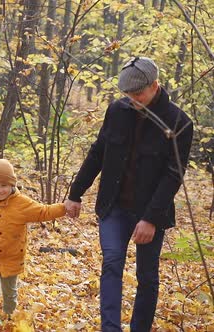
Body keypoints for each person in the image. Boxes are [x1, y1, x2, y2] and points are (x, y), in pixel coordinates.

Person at [64, 56, 193, 331]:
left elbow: (174, 176)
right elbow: (98, 152)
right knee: (111, 262)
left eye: (138, 94)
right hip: (114, 207)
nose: (133, 100)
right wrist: (76, 193)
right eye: (128, 95)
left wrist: (150, 219)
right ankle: (110, 328)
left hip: (150, 211)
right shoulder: (117, 111)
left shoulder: (179, 122)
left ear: (154, 85)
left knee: (147, 277)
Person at [0, 159, 66, 330]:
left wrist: (64, 207)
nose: (0, 190)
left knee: (10, 293)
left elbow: (43, 211)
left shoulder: (22, 203)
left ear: (12, 184)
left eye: (4, 185)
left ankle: (9, 315)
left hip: (12, 256)